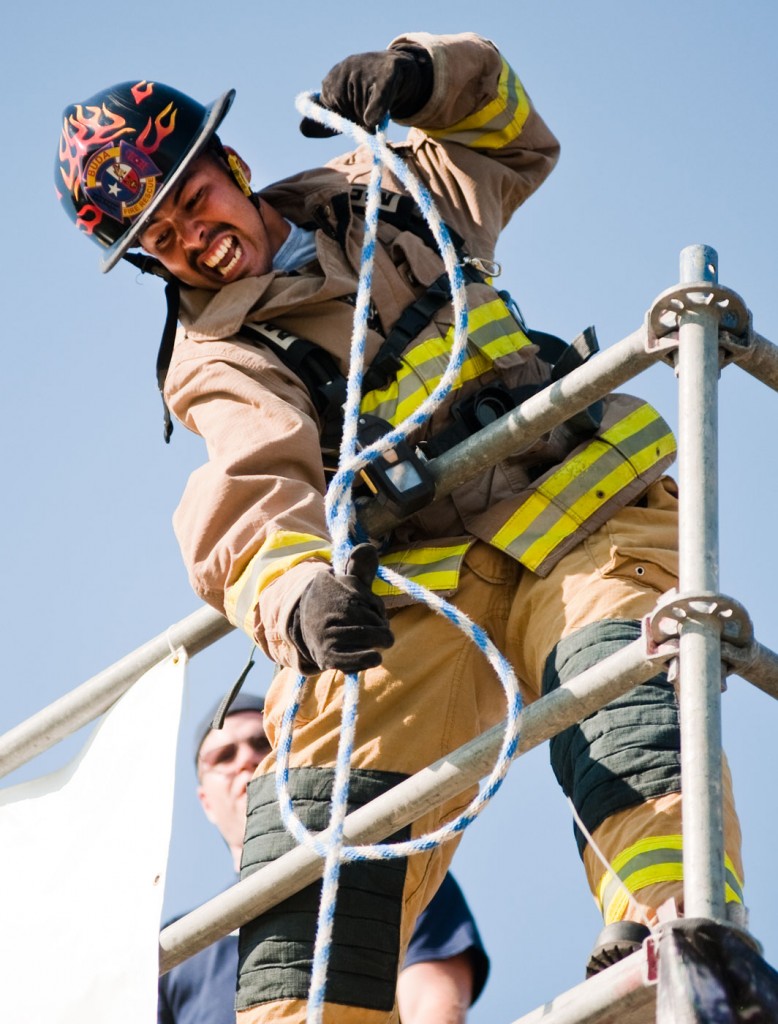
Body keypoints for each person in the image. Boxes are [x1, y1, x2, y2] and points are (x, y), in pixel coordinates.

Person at [57, 31, 746, 1023]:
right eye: (161, 239)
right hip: (425, 578)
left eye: (193, 202)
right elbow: (252, 493)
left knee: (620, 691)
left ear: (231, 164)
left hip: (575, 509)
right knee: (313, 825)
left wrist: (426, 76)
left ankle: (676, 942)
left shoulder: (386, 188)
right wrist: (299, 597)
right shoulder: (215, 355)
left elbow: (511, 138)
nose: (194, 240)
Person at [158, 693, 489, 1024]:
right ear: (206, 802)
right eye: (223, 756)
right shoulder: (175, 945)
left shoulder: (390, 869)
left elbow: (432, 1007)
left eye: (264, 743)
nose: (247, 758)